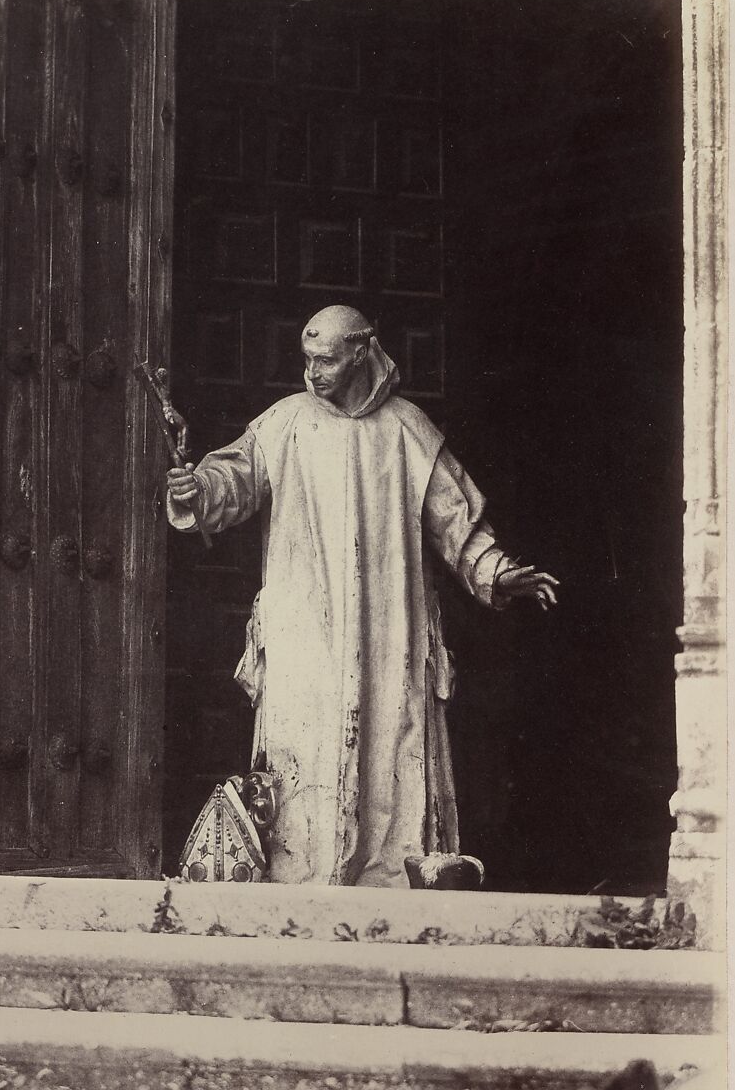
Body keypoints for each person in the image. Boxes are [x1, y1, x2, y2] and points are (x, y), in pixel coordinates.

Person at [167, 305, 558, 887]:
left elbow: (455, 519)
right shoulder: (289, 420)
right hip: (305, 623)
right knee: (303, 744)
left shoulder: (407, 428)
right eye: (307, 359)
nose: (313, 372)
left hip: (389, 623)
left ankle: (395, 875)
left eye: (326, 360)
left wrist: (496, 571)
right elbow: (238, 478)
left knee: (392, 744)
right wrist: (196, 486)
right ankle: (298, 877)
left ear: (361, 351)